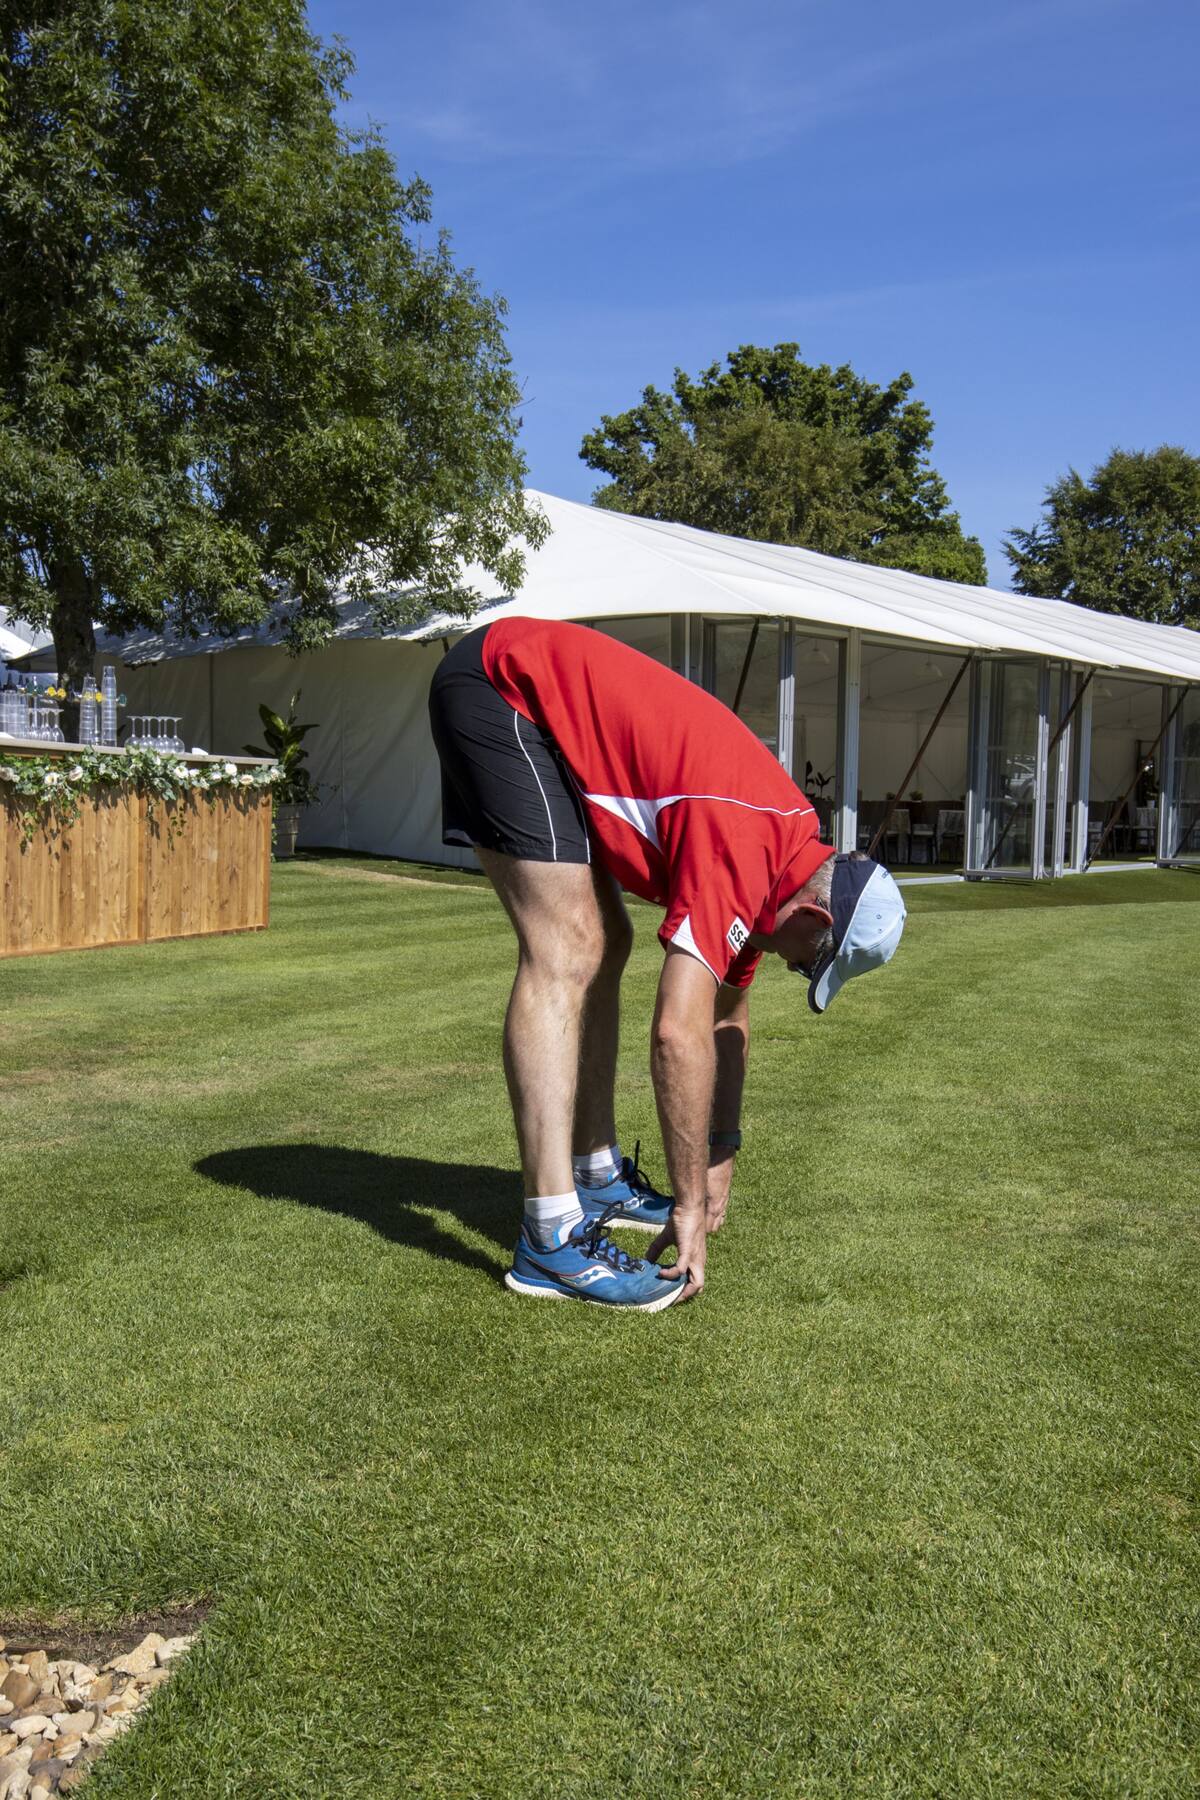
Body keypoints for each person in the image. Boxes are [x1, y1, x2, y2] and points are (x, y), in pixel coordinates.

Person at [429, 617, 906, 1310]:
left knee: (608, 939)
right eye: (810, 963)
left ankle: (593, 1175)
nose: (795, 968)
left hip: (527, 693)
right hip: (502, 685)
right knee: (567, 946)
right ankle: (549, 1238)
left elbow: (726, 1017)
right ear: (816, 919)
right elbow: (678, 1034)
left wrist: (721, 1154)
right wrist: (687, 1205)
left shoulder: (784, 854)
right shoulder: (743, 843)